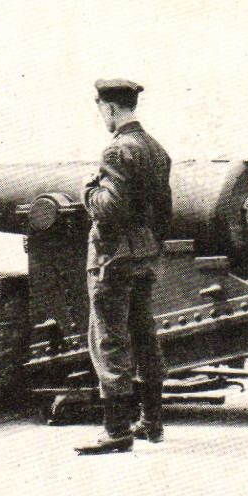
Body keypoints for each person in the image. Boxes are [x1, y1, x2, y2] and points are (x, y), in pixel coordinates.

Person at [75, 78, 174, 455]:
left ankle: (116, 430)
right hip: (144, 255)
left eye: (101, 109)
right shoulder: (156, 149)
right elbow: (164, 212)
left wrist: (88, 189)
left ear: (110, 109)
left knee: (109, 339)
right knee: (145, 337)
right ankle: (152, 421)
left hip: (112, 258)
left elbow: (109, 208)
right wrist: (150, 245)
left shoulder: (117, 151)